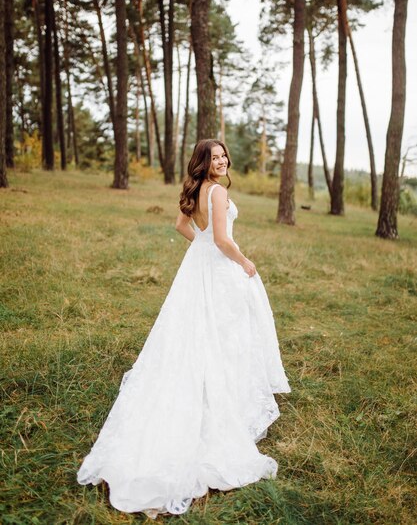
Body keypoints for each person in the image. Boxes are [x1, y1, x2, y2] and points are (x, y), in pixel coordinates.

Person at [76, 138, 291, 519]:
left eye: (225, 155)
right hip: (218, 272)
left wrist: (202, 247)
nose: (222, 161)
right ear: (203, 162)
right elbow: (223, 239)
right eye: (214, 157)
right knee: (221, 337)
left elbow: (182, 225)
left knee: (194, 336)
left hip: (198, 270)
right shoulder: (219, 195)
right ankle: (221, 406)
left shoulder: (198, 191)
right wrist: (244, 262)